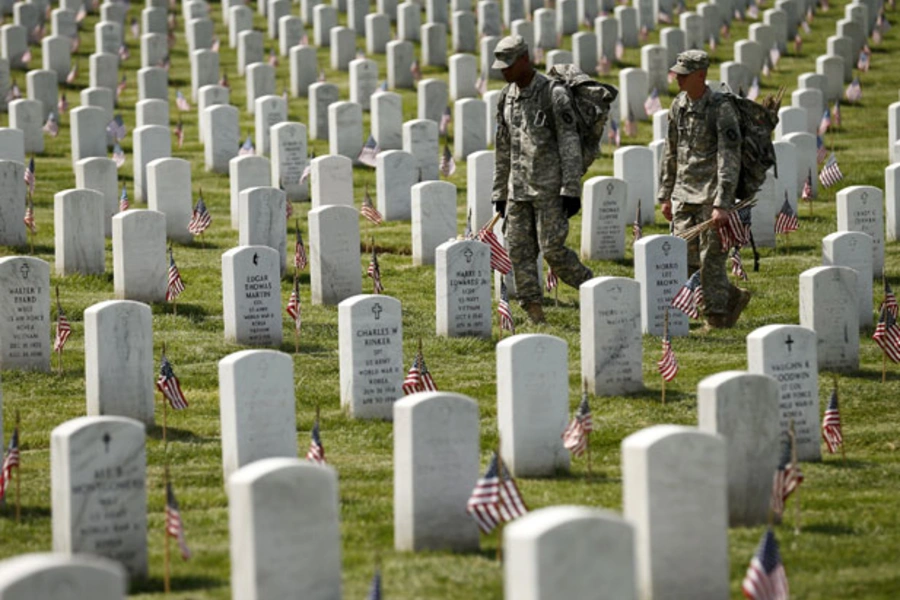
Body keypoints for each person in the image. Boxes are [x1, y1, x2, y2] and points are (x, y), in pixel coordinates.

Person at [490, 35, 593, 324]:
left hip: (550, 191)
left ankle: (596, 289)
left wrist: (571, 188)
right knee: (519, 252)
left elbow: (569, 144)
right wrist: (499, 191)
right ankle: (534, 312)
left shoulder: (553, 94)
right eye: (501, 66)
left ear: (525, 60)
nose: (504, 71)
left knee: (553, 251)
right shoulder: (505, 97)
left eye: (509, 65)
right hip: (518, 191)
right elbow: (503, 147)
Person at [658, 50, 751, 329]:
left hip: (711, 196)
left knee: (710, 259)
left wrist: (722, 202)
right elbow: (670, 150)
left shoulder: (720, 109)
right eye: (677, 74)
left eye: (684, 75)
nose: (678, 79)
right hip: (684, 194)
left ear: (701, 75)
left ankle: (716, 316)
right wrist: (665, 193)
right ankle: (732, 296)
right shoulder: (679, 105)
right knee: (683, 259)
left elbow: (729, 157)